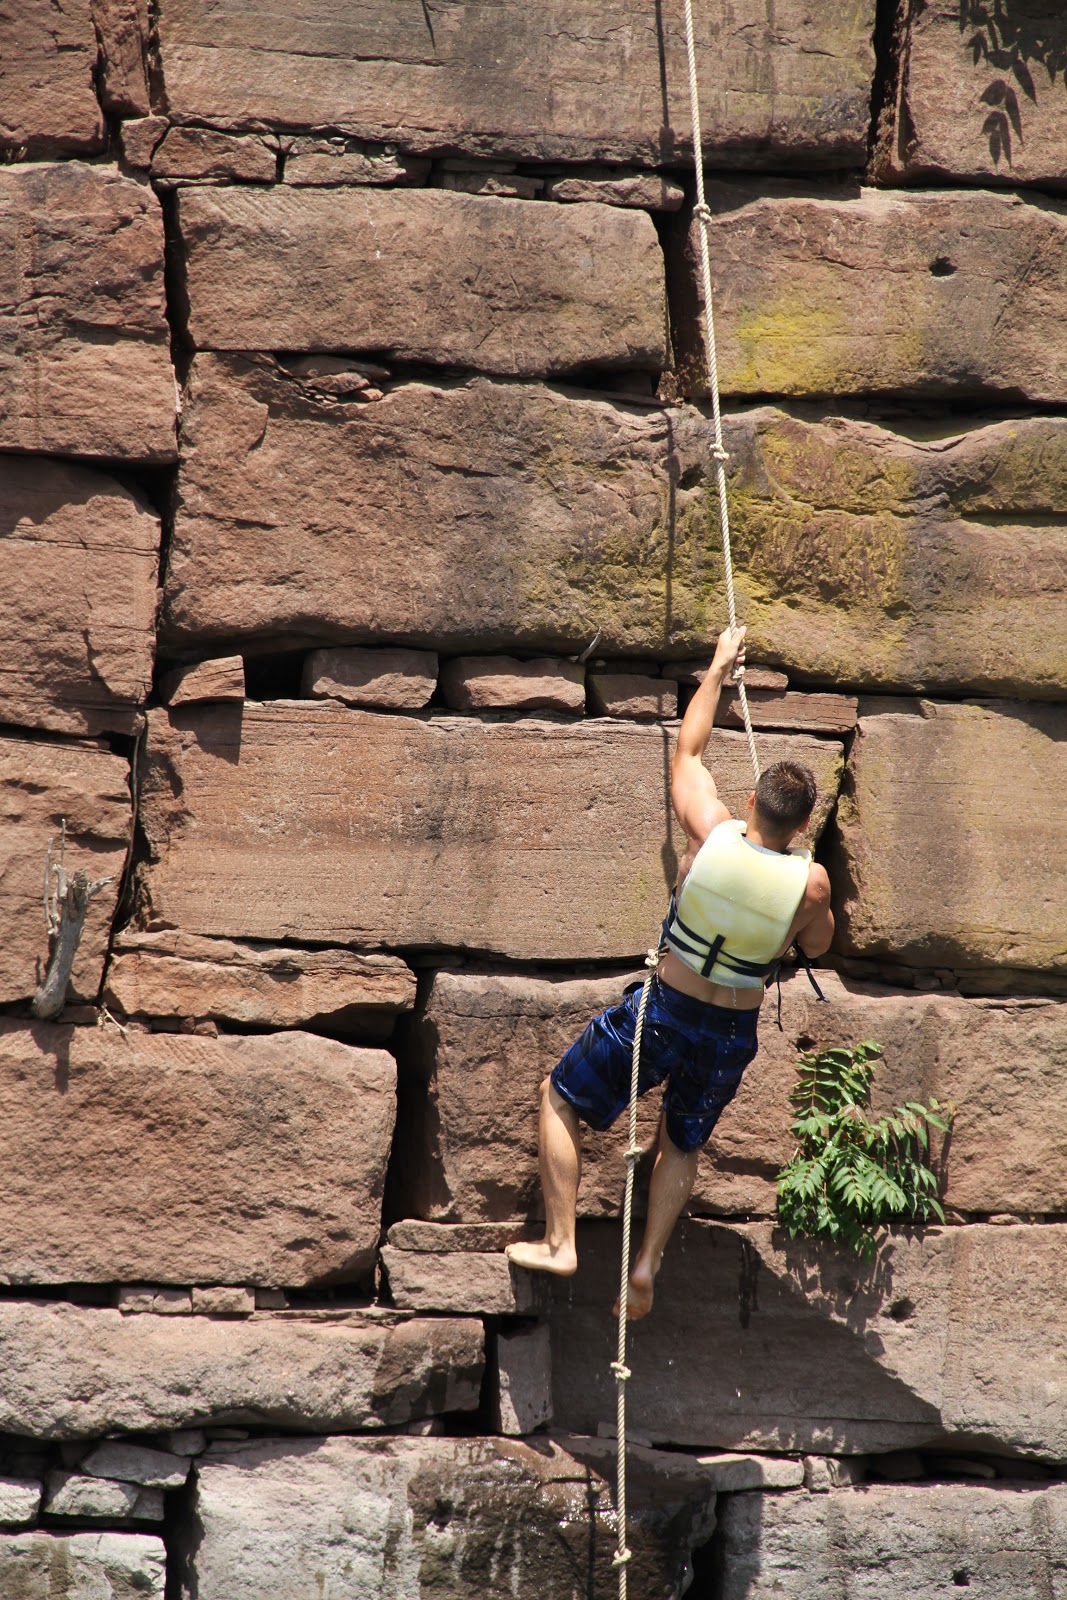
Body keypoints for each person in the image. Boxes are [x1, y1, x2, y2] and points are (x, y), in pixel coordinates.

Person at [506, 624, 834, 1318]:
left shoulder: (712, 833)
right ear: (802, 826)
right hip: (729, 1032)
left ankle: (561, 1241)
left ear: (751, 803)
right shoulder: (811, 885)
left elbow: (686, 751)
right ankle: (646, 1263)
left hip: (666, 1010)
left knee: (560, 1097)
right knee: (680, 1139)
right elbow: (820, 943)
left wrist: (717, 666)